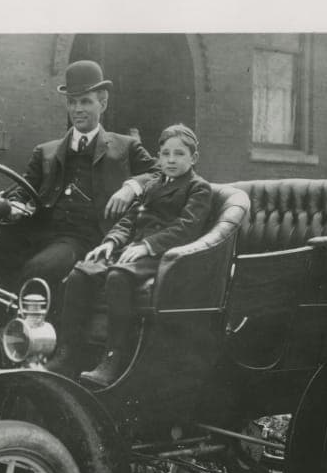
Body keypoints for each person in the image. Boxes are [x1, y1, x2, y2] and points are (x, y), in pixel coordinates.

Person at [0, 60, 159, 298]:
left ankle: (23, 329)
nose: (77, 109)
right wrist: (14, 207)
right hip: (36, 232)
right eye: (72, 102)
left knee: (39, 269)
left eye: (85, 101)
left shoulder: (125, 146)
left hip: (82, 239)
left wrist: (131, 187)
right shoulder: (46, 151)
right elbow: (22, 192)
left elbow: (160, 173)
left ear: (103, 103)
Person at [46, 123, 212, 388]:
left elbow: (186, 228)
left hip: (164, 256)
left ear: (194, 158)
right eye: (165, 153)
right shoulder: (153, 184)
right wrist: (111, 242)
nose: (170, 159)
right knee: (81, 271)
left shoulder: (198, 188)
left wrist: (147, 246)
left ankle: (114, 358)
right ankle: (68, 354)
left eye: (179, 154)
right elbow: (130, 219)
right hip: (132, 250)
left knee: (118, 277)